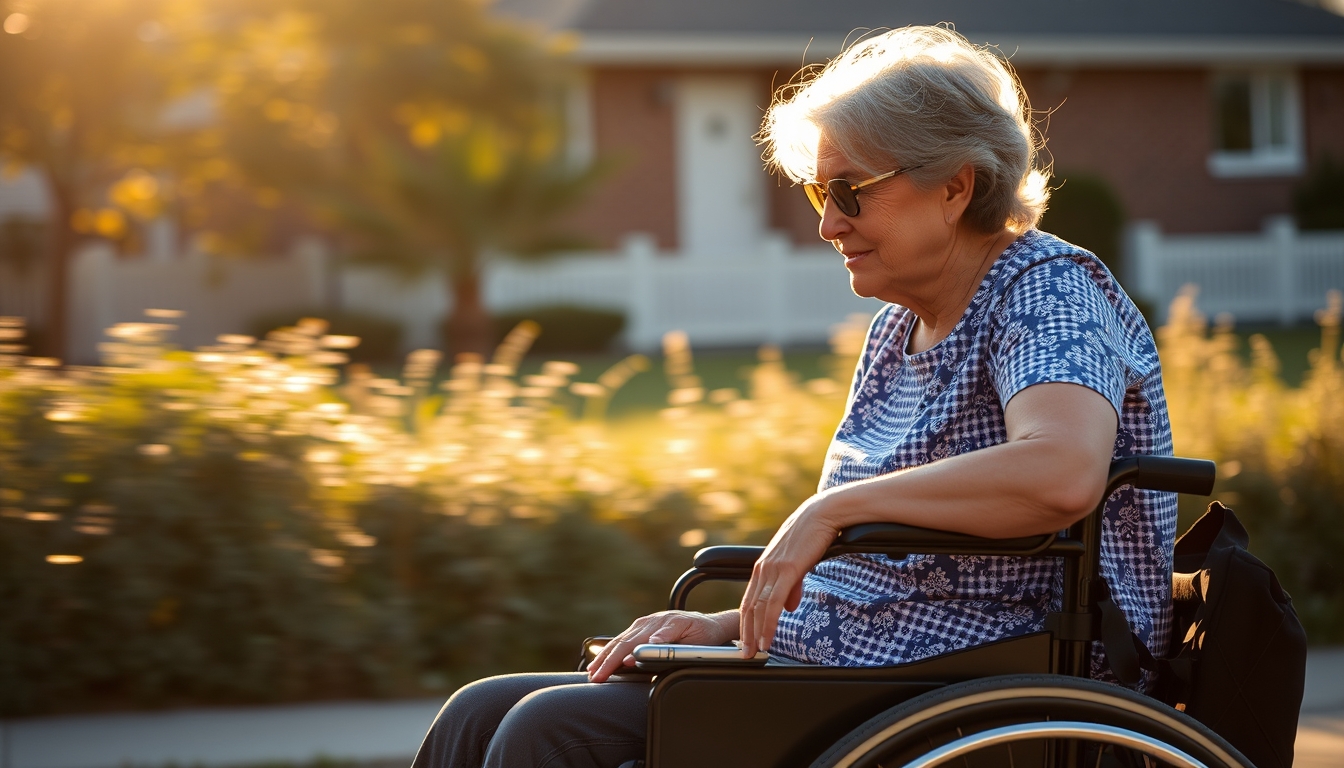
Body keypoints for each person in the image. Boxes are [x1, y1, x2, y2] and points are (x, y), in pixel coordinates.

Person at [410, 24, 1175, 768]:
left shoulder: (1047, 290)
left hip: (970, 676)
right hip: (861, 663)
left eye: (850, 191)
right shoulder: (895, 330)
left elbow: (1060, 472)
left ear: (955, 186)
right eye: (817, 191)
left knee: (549, 733)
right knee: (478, 710)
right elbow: (871, 574)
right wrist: (724, 624)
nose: (828, 223)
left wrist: (830, 508)